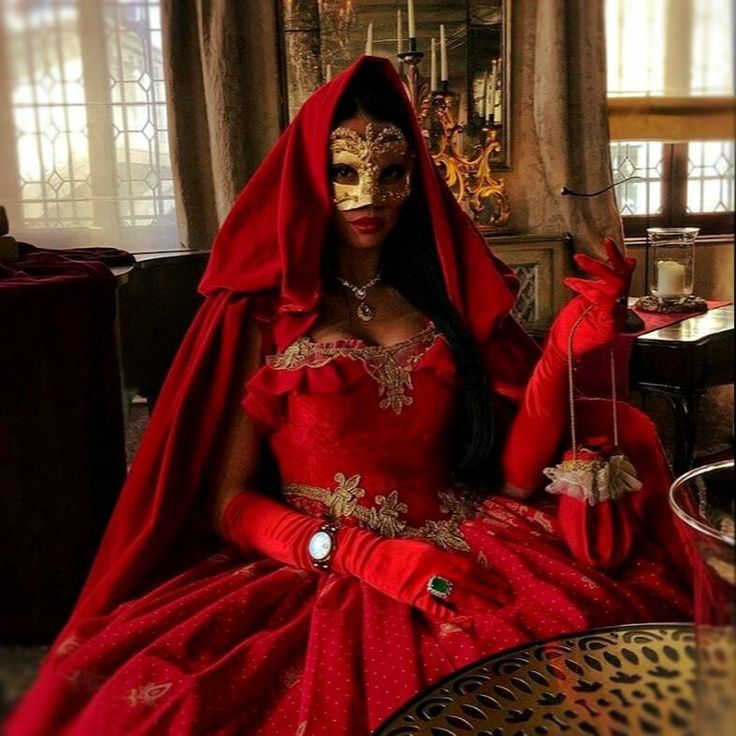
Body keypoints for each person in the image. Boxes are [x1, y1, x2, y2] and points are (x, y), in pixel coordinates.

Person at [7, 56, 692, 736]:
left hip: (474, 545)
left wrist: (566, 352)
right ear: (311, 177)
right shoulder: (261, 315)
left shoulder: (441, 299)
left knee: (574, 678)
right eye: (344, 172)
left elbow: (513, 478)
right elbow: (225, 504)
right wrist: (362, 555)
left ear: (415, 179)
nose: (369, 195)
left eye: (391, 173)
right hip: (313, 567)